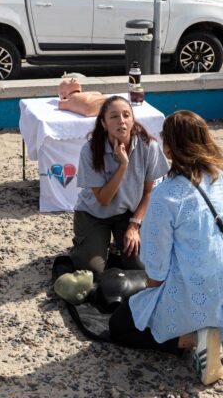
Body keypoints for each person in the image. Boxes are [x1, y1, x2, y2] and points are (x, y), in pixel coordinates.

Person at [109, 110, 223, 386]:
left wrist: (153, 291)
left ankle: (194, 339)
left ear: (170, 147)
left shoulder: (168, 193)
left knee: (122, 324)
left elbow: (156, 264)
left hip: (192, 286)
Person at [70, 96, 169, 275]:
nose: (121, 121)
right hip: (94, 213)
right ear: (103, 123)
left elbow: (149, 193)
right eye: (114, 116)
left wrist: (134, 226)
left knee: (142, 267)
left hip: (128, 214)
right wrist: (123, 165)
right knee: (92, 270)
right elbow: (103, 199)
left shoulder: (149, 146)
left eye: (126, 115)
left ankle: (117, 245)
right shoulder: (90, 150)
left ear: (132, 119)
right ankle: (92, 245)